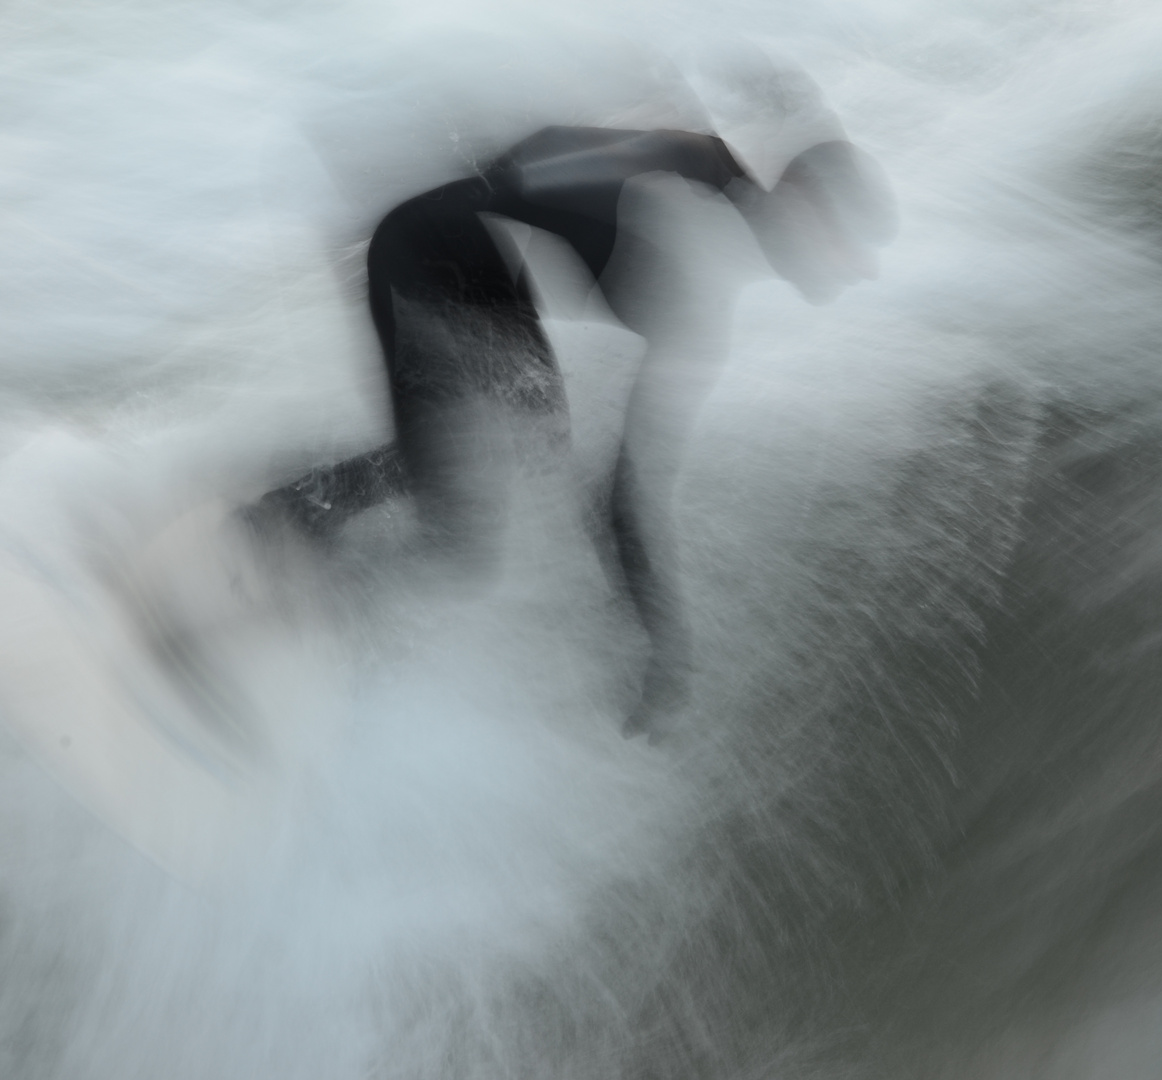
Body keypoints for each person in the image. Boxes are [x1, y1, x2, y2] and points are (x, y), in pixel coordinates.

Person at [252, 123, 895, 734]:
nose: (862, 267)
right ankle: (289, 596)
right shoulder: (694, 273)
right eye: (853, 240)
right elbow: (620, 502)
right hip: (425, 258)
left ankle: (310, 504)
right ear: (804, 201)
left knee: (530, 430)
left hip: (451, 260)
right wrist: (664, 641)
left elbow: (545, 151)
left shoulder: (703, 165)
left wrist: (495, 193)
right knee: (463, 542)